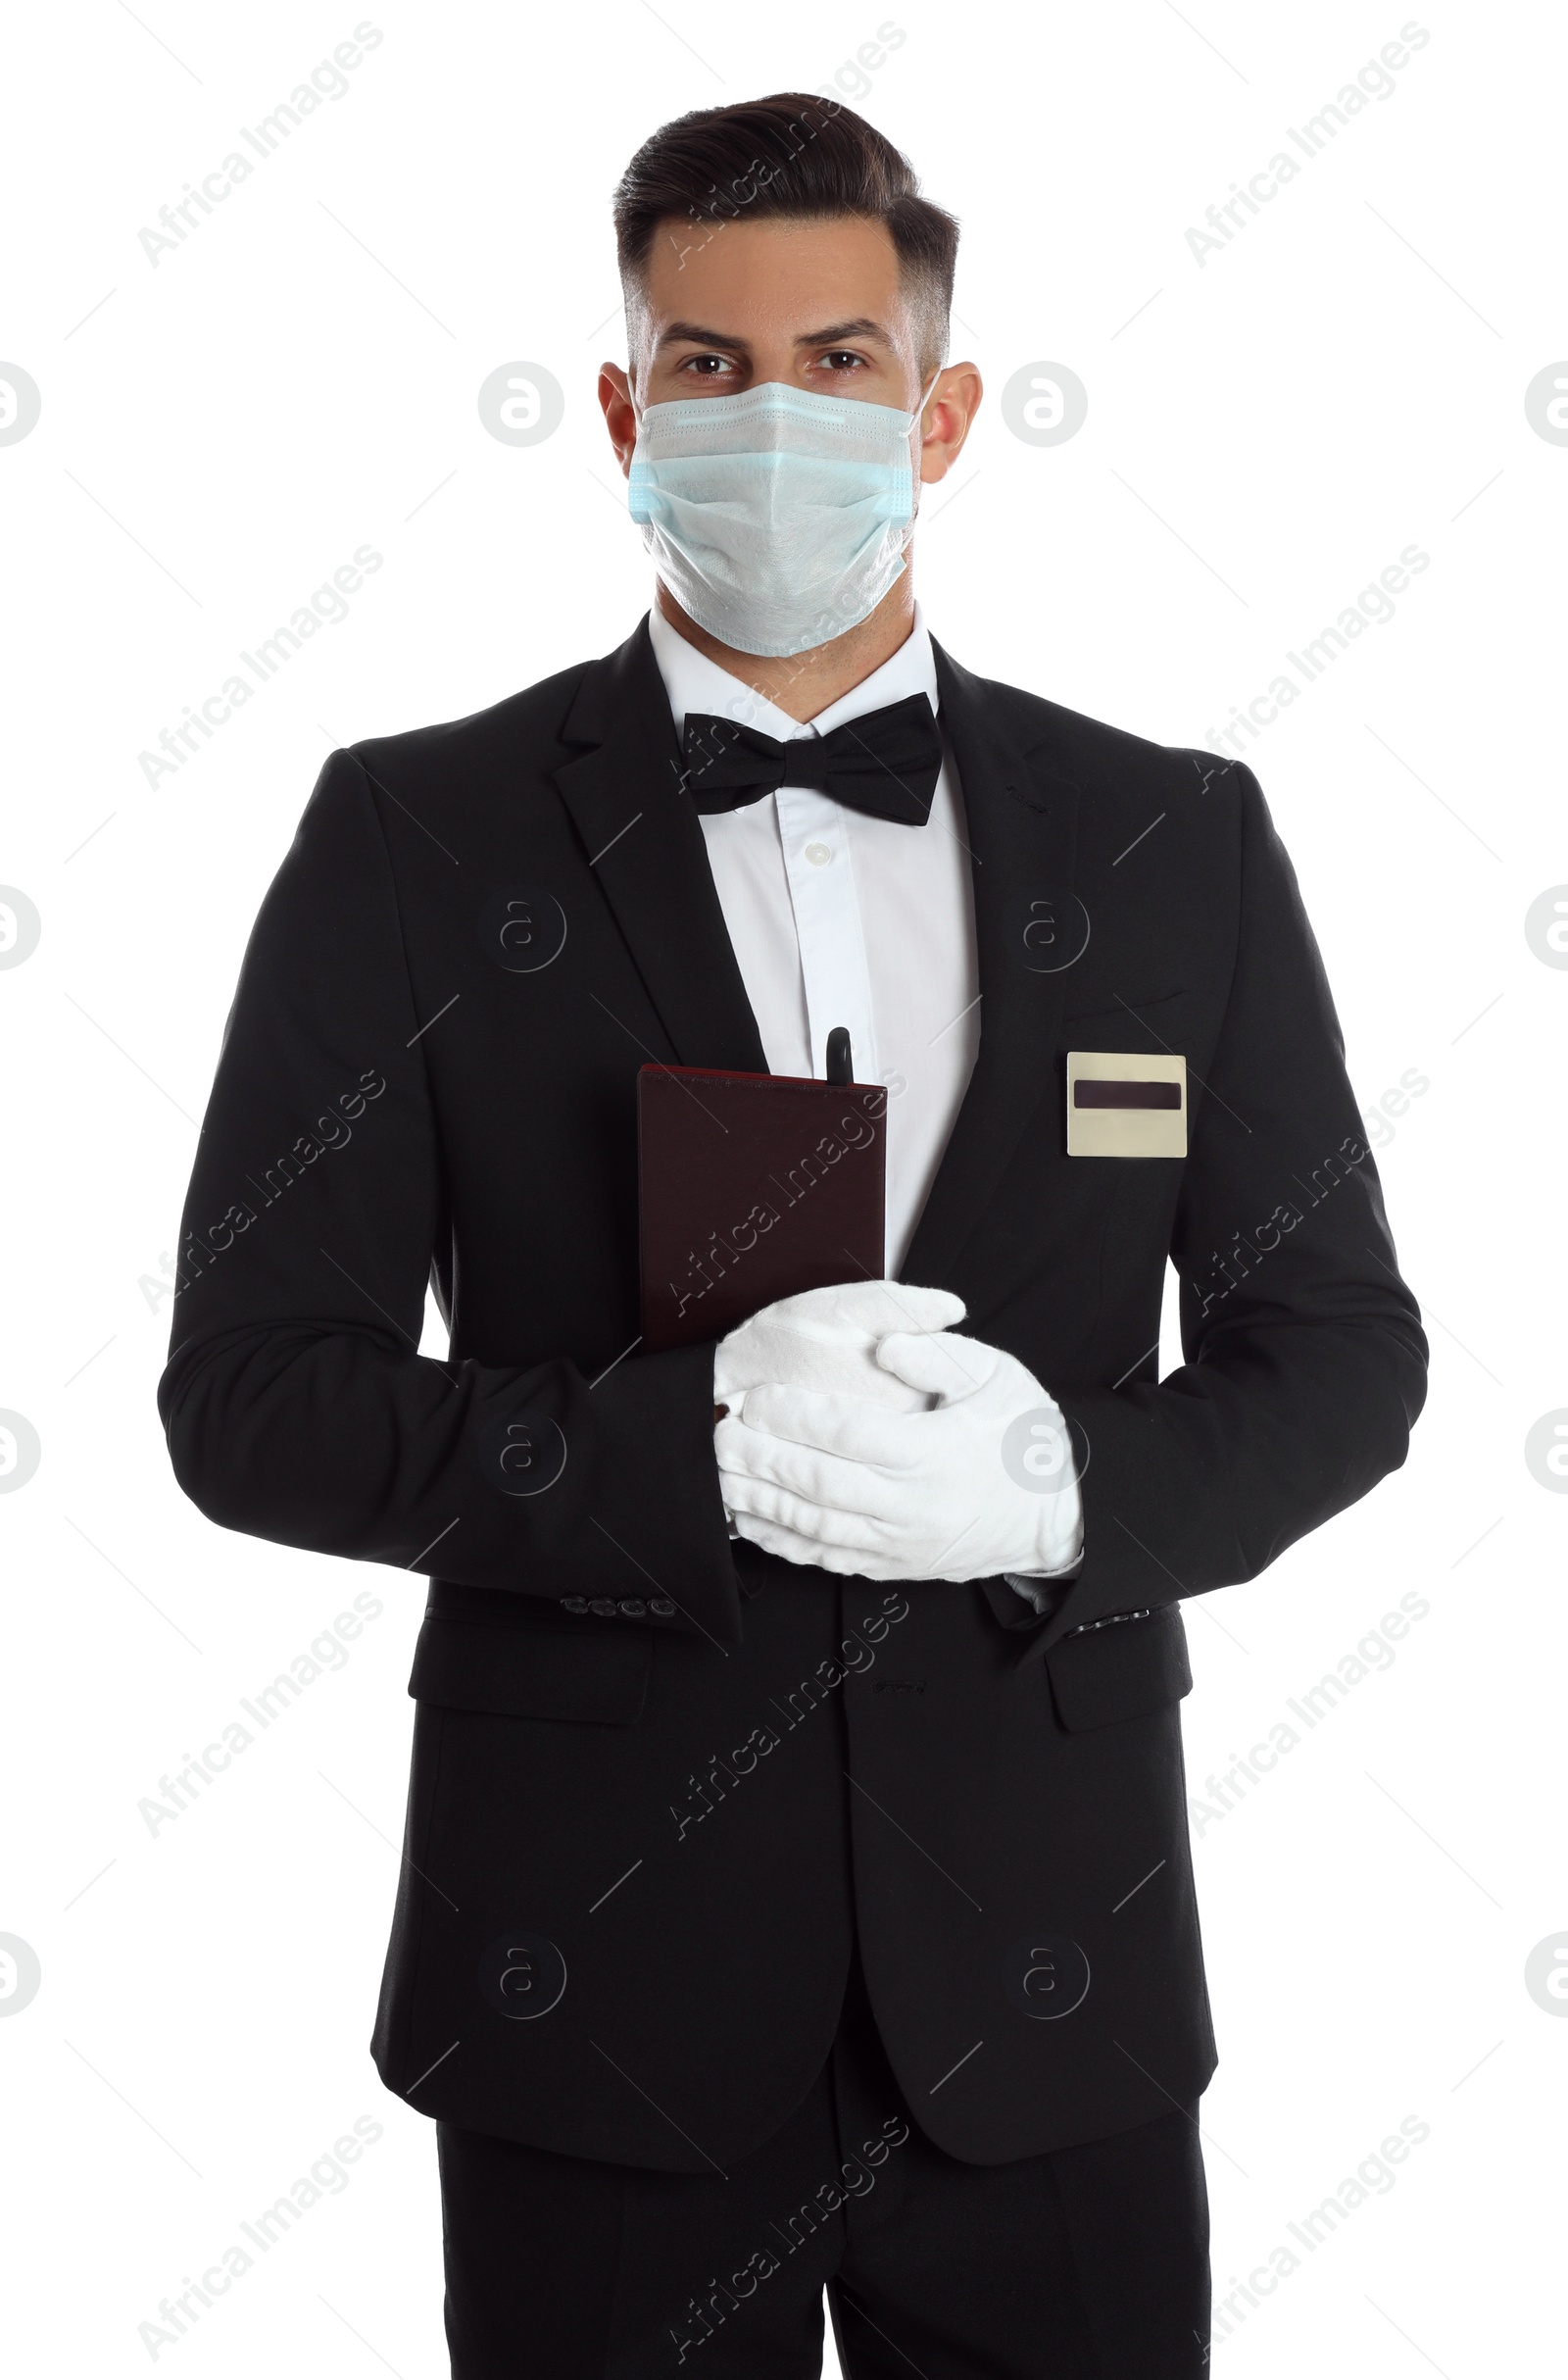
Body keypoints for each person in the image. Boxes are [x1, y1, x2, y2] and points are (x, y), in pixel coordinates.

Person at [158, 92, 1427, 2378]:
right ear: (625, 415)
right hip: (590, 1988)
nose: (772, 419)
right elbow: (250, 1394)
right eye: (709, 369)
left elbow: (1334, 1349)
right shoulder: (411, 837)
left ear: (937, 411)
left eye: (835, 362)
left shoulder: (1173, 842)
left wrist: (1059, 1488)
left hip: (1051, 1980)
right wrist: (672, 1463)